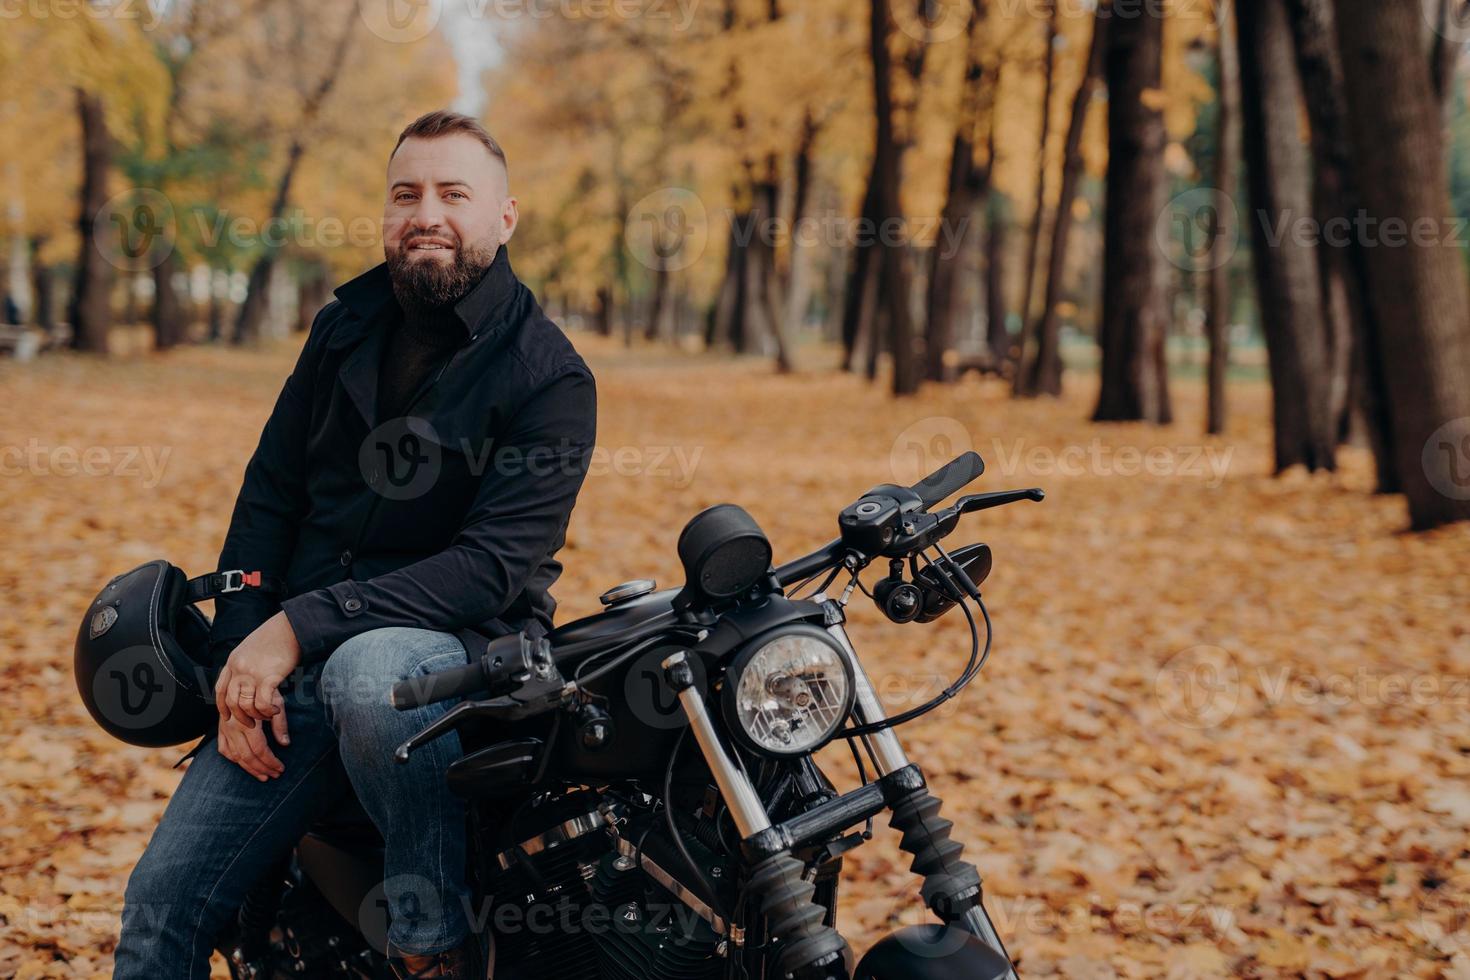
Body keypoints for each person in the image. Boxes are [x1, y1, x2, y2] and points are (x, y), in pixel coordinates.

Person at [114, 110, 598, 980]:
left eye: (455, 193)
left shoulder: (549, 374)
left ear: (505, 216)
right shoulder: (342, 327)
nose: (427, 214)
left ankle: (430, 942)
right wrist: (240, 662)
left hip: (453, 662)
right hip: (292, 670)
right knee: (159, 910)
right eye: (406, 193)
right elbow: (268, 501)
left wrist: (299, 626)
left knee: (369, 671)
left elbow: (490, 569)